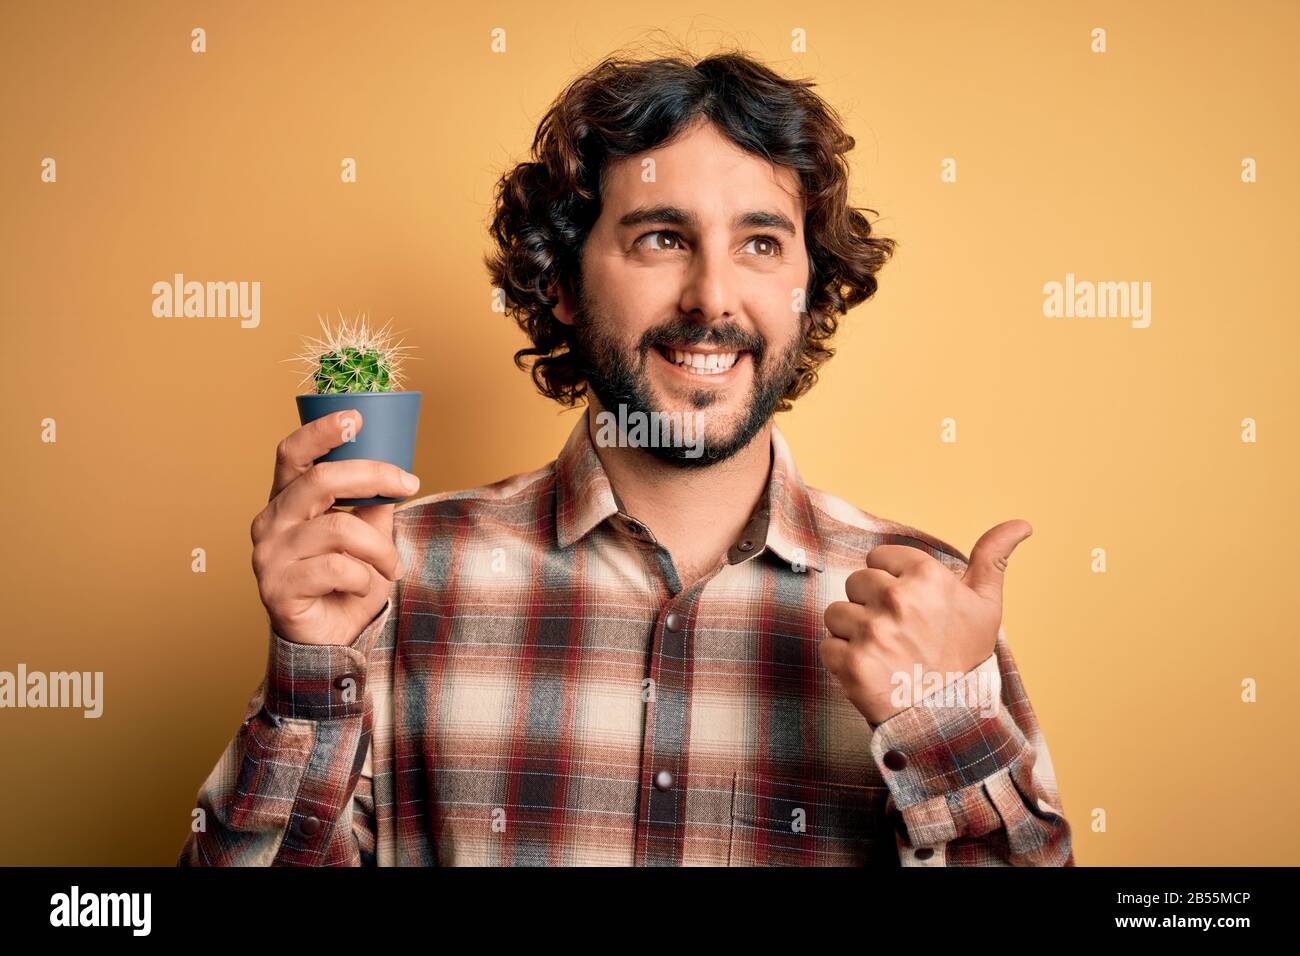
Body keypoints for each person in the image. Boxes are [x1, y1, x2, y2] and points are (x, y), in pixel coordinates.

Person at [179, 47, 1072, 867]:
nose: (711, 297)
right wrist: (307, 680)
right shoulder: (390, 578)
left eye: (760, 243)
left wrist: (939, 722)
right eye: (661, 238)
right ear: (561, 283)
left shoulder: (924, 610)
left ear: (809, 291)